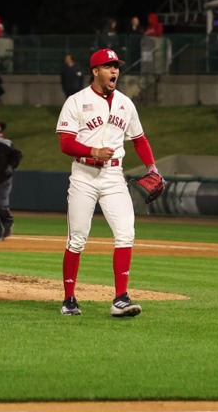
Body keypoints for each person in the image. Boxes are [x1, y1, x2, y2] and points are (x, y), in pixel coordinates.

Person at [54, 48, 160, 318]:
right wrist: (92, 152)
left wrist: (153, 168)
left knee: (126, 233)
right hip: (84, 175)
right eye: (108, 66)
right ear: (95, 71)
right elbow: (65, 143)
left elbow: (139, 139)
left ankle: (121, 299)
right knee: (77, 239)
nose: (114, 71)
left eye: (116, 66)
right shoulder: (76, 102)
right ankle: (69, 299)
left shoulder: (126, 103)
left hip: (114, 176)